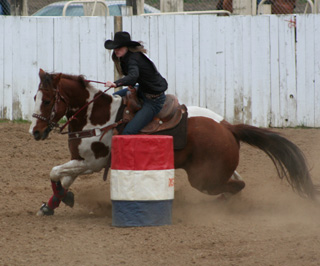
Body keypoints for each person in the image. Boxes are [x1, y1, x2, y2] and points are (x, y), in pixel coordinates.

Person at [104, 31, 168, 135]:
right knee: (111, 99)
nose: (116, 50)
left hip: (154, 100)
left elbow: (133, 76)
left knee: (128, 132)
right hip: (142, 90)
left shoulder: (133, 58)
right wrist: (132, 87)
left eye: (119, 47)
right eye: (115, 48)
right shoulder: (127, 58)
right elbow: (135, 77)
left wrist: (116, 84)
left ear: (127, 47)